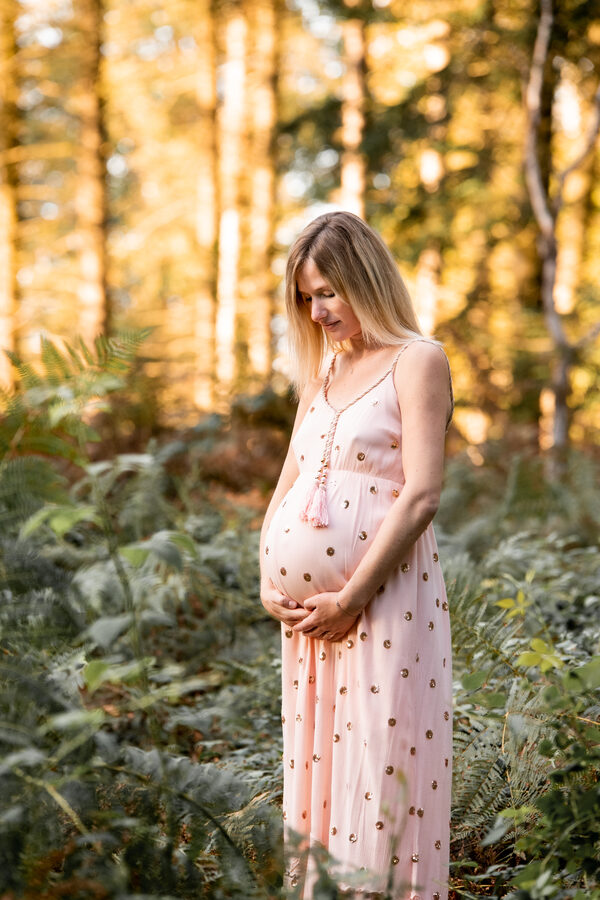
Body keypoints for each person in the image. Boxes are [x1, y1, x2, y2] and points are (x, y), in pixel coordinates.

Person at [259, 211, 453, 900]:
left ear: (365, 281)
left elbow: (423, 494)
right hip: (312, 619)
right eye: (308, 297)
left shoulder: (418, 360)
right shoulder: (325, 375)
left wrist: (353, 596)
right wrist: (266, 576)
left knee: (377, 764)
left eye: (329, 293)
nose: (318, 312)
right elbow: (286, 486)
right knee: (321, 766)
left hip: (382, 601)